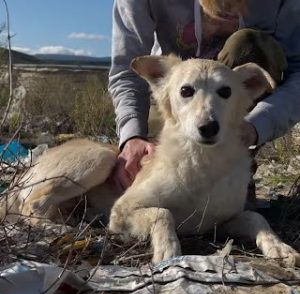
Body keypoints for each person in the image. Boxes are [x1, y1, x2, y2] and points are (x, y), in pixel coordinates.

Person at [108, 0, 300, 192]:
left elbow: (297, 72)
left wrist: (256, 126)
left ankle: (233, 170)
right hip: (173, 105)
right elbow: (127, 70)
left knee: (250, 43)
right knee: (149, 175)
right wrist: (132, 135)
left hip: (239, 114)